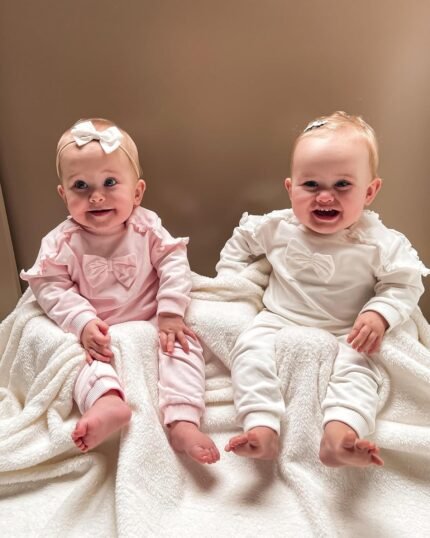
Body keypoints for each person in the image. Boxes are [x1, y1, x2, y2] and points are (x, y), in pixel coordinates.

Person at [218, 111, 428, 466]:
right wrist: (232, 285)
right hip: (278, 318)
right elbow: (239, 246)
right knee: (249, 351)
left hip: (347, 329)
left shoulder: (378, 242)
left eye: (342, 185)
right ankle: (260, 425)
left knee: (360, 371)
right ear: (291, 188)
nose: (325, 197)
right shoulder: (276, 227)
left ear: (370, 192)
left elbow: (404, 283)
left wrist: (378, 315)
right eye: (311, 185)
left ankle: (340, 434)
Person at [21, 118, 219, 464]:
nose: (96, 196)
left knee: (184, 348)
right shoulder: (60, 243)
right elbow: (50, 286)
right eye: (80, 186)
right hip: (98, 331)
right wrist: (82, 322)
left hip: (152, 318)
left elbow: (174, 263)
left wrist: (170, 312)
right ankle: (106, 401)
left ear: (137, 192)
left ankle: (183, 420)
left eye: (110, 183)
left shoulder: (146, 227)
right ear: (63, 194)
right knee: (70, 357)